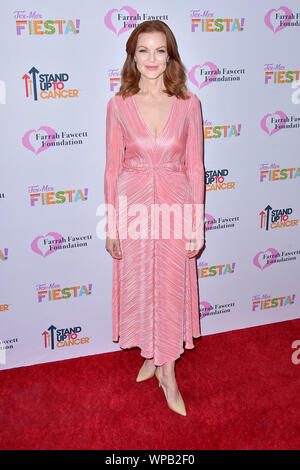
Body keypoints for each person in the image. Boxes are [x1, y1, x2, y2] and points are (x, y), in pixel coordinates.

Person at [104, 20, 205, 416]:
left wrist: (196, 222)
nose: (151, 58)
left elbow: (195, 168)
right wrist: (112, 223)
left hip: (176, 208)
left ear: (170, 55)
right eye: (142, 50)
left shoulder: (188, 103)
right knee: (141, 284)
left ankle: (168, 371)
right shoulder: (118, 105)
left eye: (159, 50)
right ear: (132, 56)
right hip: (135, 209)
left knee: (169, 286)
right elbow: (112, 168)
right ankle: (152, 354)